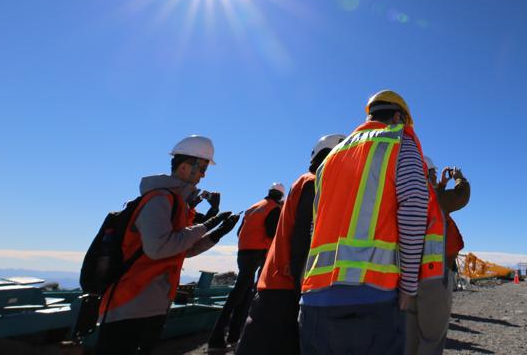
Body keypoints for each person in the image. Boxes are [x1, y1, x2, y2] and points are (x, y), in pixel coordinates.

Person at [299, 90, 445, 355]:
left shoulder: (330, 159)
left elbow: (315, 226)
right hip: (372, 299)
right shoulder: (399, 142)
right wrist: (408, 286)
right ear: (399, 117)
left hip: (314, 301)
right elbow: (413, 210)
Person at [96, 135, 240, 355]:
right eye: (202, 168)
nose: (203, 175)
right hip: (130, 304)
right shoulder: (160, 199)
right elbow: (159, 248)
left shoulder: (178, 203)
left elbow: (182, 249)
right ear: (184, 167)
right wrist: (206, 226)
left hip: (152, 304)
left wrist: (217, 233)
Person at [235, 134, 346, 355]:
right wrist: (302, 292)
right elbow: (301, 241)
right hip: (286, 289)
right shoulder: (314, 183)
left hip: (275, 284)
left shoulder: (305, 182)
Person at [207, 182, 286, 351]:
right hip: (257, 252)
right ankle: (216, 340)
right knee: (238, 295)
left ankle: (234, 337)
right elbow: (272, 233)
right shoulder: (274, 208)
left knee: (243, 295)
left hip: (243, 252)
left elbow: (239, 232)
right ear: (280, 196)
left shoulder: (254, 207)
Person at [405, 156, 470, 355]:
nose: (435, 176)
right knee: (431, 340)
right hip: (433, 278)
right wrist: (459, 178)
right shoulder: (433, 198)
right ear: (425, 173)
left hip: (407, 277)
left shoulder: (406, 196)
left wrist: (441, 184)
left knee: (410, 338)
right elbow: (461, 196)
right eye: (433, 173)